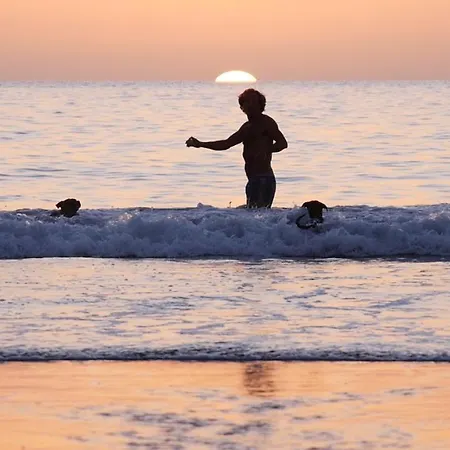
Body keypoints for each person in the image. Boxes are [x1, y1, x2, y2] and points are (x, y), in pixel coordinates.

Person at [186, 88, 288, 208]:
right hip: (253, 180)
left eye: (253, 102)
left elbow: (282, 143)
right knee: (251, 213)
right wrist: (201, 144)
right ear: (242, 107)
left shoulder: (266, 122)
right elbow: (226, 144)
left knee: (257, 213)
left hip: (264, 179)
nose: (250, 105)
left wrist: (266, 150)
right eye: (246, 102)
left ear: (260, 105)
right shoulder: (246, 127)